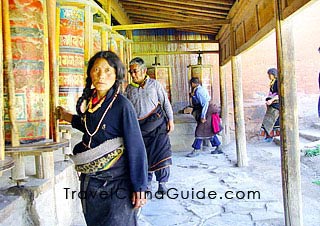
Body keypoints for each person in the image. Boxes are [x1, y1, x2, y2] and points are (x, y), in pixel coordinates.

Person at [56, 51, 148, 226]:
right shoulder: (90, 102)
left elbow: (136, 147)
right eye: (96, 70)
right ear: (90, 73)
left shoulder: (122, 105)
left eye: (107, 70)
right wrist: (66, 116)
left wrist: (140, 187)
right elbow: (90, 128)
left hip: (117, 182)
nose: (101, 76)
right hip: (91, 182)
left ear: (116, 74)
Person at [125, 57, 174, 194]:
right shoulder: (129, 89)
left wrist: (170, 119)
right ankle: (146, 185)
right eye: (131, 72)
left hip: (158, 126)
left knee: (161, 154)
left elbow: (165, 103)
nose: (133, 75)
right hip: (140, 130)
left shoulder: (155, 85)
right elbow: (126, 110)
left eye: (135, 71)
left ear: (144, 70)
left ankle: (162, 184)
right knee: (143, 157)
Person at [186, 77, 223, 157]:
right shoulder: (200, 89)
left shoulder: (199, 91)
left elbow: (205, 103)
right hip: (208, 109)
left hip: (207, 110)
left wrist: (203, 116)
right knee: (209, 130)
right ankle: (218, 147)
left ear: (192, 84)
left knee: (200, 130)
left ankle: (196, 150)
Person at [259, 68, 280, 142]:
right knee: (268, 120)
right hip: (272, 104)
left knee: (275, 121)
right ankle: (269, 136)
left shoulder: (278, 82)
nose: (269, 76)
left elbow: (279, 94)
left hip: (276, 104)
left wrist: (271, 100)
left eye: (270, 75)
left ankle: (273, 136)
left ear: (274, 74)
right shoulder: (272, 82)